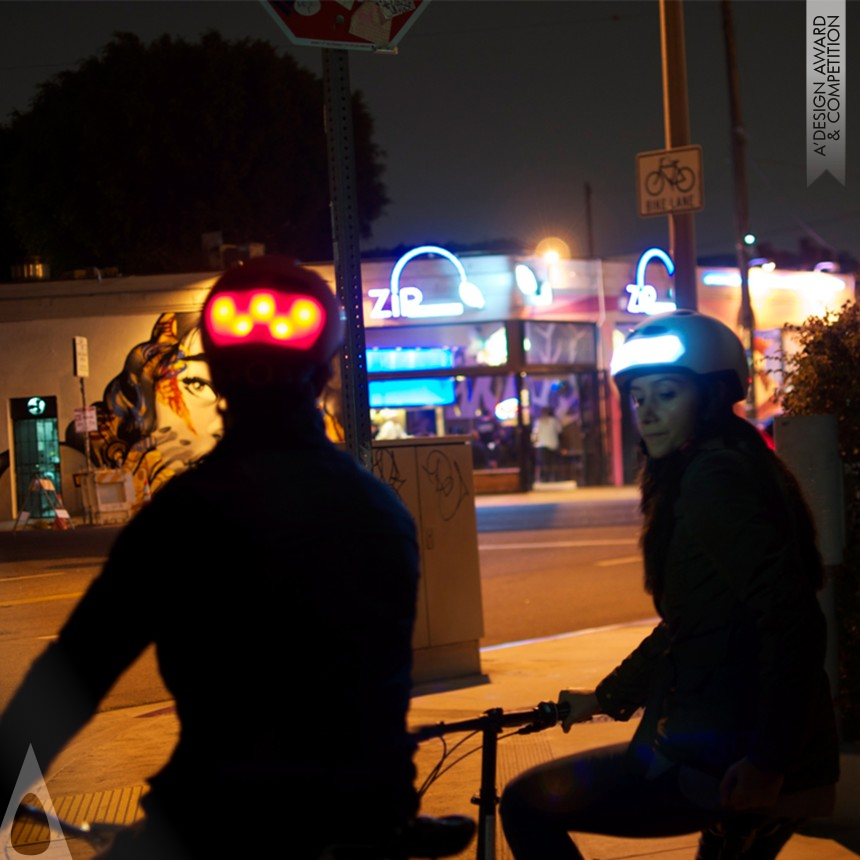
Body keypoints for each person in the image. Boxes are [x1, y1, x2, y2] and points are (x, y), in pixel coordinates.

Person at [0, 258, 425, 859]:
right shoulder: (381, 512)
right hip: (372, 817)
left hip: (219, 819)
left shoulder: (186, 516)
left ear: (217, 376)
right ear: (327, 370)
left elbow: (73, 676)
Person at [500, 310, 840, 859]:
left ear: (711, 396)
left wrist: (767, 762)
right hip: (753, 744)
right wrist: (606, 698)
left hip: (729, 755)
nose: (648, 413)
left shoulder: (712, 479)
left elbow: (792, 618)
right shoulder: (731, 462)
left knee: (526, 804)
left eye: (666, 394)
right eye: (638, 399)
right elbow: (696, 619)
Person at [532, 406, 562, 482]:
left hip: (543, 445)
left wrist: (534, 442)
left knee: (545, 463)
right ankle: (552, 478)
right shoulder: (554, 421)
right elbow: (559, 431)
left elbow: (534, 435)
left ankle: (545, 478)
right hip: (552, 445)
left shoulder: (538, 422)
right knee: (551, 463)